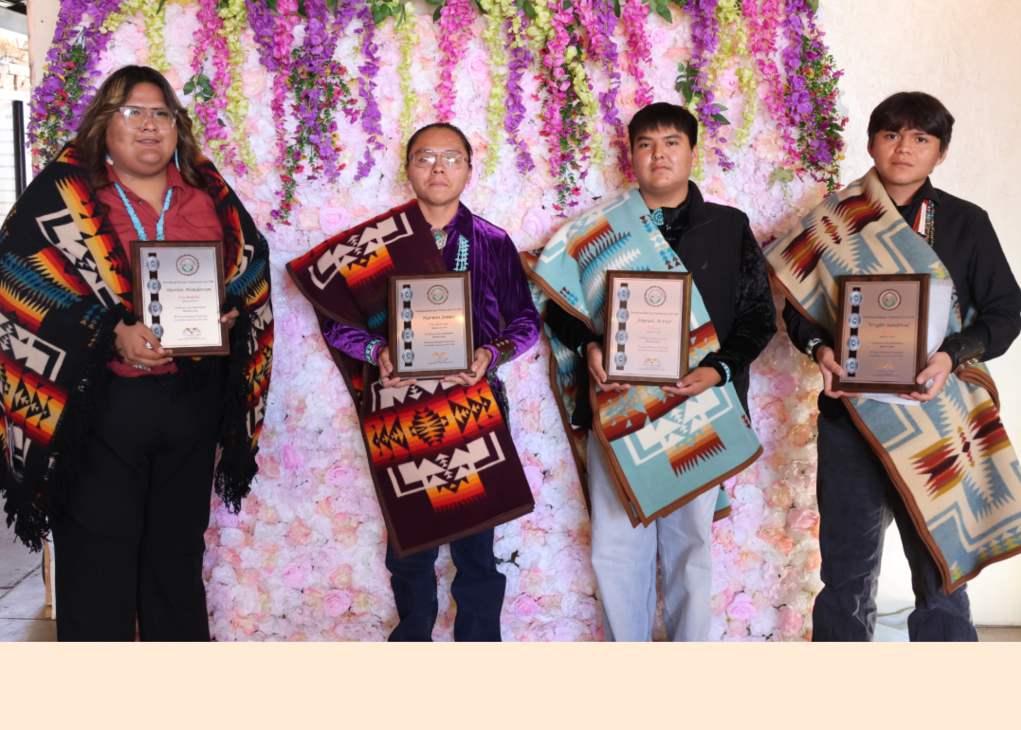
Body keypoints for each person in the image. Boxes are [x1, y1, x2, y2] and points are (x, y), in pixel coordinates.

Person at [0, 65, 274, 641]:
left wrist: (230, 308)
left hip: (194, 401)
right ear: (106, 122)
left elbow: (251, 262)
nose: (149, 126)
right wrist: (109, 329)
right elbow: (17, 277)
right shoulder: (66, 193)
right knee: (98, 560)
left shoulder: (208, 189)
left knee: (176, 557)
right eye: (133, 112)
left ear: (177, 127)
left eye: (161, 114)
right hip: (103, 407)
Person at [769, 91, 1021, 641]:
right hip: (851, 417)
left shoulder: (965, 223)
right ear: (871, 143)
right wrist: (822, 351)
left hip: (936, 416)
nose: (904, 148)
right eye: (891, 134)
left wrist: (950, 356)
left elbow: (1006, 313)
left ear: (942, 152)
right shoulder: (832, 222)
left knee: (939, 570)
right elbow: (798, 314)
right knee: (845, 573)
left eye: (921, 138)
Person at [528, 103, 776, 641]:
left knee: (691, 546)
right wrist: (591, 345)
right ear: (631, 155)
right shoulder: (595, 231)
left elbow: (760, 316)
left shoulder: (730, 228)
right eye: (646, 144)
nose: (658, 154)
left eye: (671, 143)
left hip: (702, 407)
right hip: (619, 408)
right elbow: (554, 306)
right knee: (616, 546)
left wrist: (721, 369)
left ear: (692, 151)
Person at [287, 122, 540, 641]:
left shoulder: (492, 241)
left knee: (476, 550)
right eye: (426, 156)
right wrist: (377, 351)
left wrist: (490, 353)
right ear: (408, 169)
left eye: (451, 157)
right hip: (402, 413)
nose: (438, 167)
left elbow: (525, 320)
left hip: (475, 408)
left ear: (469, 168)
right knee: (409, 549)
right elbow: (338, 321)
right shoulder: (371, 245)